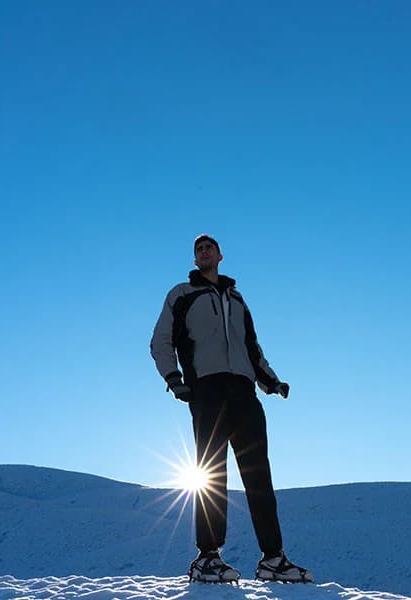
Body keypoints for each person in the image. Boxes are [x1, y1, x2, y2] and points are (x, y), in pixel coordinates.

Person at [150, 234, 313, 584]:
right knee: (210, 475)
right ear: (195, 260)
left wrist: (271, 381)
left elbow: (251, 347)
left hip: (244, 394)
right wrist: (174, 378)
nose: (204, 252)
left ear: (221, 255)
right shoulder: (182, 294)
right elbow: (160, 340)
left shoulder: (237, 299)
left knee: (259, 478)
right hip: (207, 391)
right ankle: (207, 557)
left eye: (209, 247)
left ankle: (273, 558)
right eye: (198, 250)